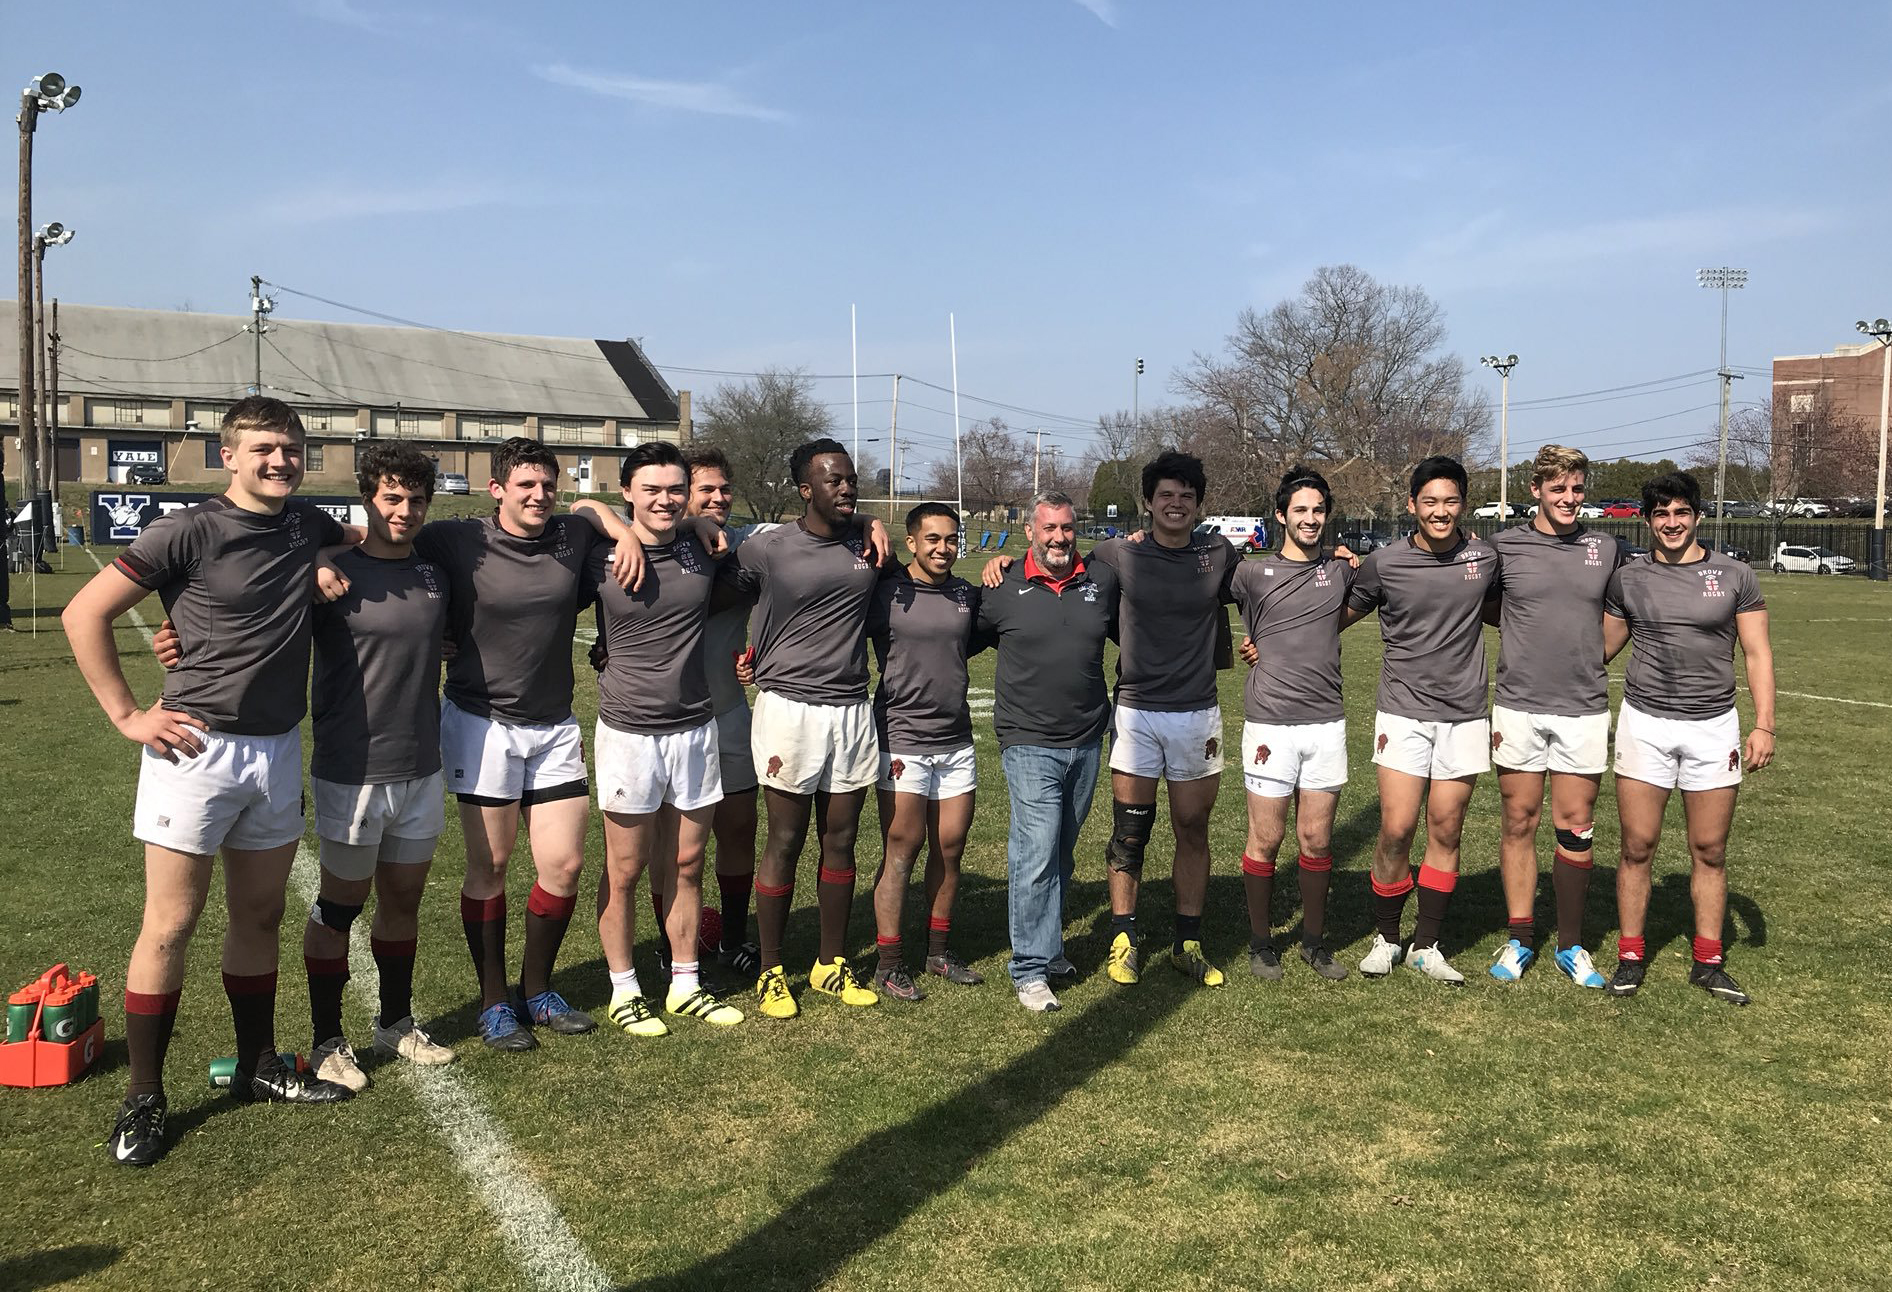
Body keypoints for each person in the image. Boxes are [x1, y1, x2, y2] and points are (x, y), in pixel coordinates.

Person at [63, 397, 364, 1167]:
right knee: (170, 924)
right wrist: (129, 714)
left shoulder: (306, 525)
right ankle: (143, 1096)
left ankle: (258, 1064)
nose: (279, 461)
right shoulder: (187, 529)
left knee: (258, 916)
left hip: (275, 749)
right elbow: (84, 613)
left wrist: (330, 559)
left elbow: (360, 537)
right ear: (227, 455)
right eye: (263, 448)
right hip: (193, 749)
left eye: (291, 449)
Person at [412, 436, 644, 1052]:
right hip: (481, 723)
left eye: (548, 484)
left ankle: (536, 991)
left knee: (564, 866)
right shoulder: (456, 540)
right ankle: (492, 1002)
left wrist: (619, 530)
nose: (540, 495)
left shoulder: (572, 533)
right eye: (525, 486)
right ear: (497, 491)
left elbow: (594, 510)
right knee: (489, 866)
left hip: (554, 724)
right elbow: (381, 546)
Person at [981, 452, 1238, 988]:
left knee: (1192, 828)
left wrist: (1337, 556)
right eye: (1165, 494)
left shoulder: (1218, 553)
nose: (1175, 504)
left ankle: (1187, 940)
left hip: (1197, 710)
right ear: (1148, 501)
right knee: (1129, 833)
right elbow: (1048, 566)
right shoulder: (1115, 554)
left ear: (1198, 505)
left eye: (1186, 496)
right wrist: (1000, 562)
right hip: (1137, 710)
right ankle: (1123, 937)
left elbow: (1275, 576)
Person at [729, 438, 891, 1018]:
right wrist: (740, 656)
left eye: (850, 479)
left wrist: (870, 521)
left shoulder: (868, 547)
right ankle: (771, 970)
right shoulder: (768, 548)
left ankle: (828, 963)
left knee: (841, 839)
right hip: (788, 709)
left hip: (849, 708)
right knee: (785, 840)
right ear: (806, 489)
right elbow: (718, 591)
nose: (846, 488)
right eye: (833, 481)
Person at [588, 442, 745, 1036]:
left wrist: (867, 519)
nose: (665, 499)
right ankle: (624, 989)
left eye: (675, 489)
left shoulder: (701, 546)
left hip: (695, 728)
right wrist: (611, 524)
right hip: (629, 732)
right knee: (626, 869)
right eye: (650, 489)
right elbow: (574, 508)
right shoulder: (596, 549)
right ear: (627, 491)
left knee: (686, 862)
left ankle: (685, 983)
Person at [1603, 471, 1774, 1005]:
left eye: (1681, 512)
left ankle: (1708, 960)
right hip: (1645, 723)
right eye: (1660, 514)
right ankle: (1630, 956)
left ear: (1697, 515)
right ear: (1648, 520)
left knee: (1710, 849)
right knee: (1637, 847)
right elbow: (1597, 651)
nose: (1671, 523)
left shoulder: (1735, 575)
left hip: (1713, 725)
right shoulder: (1628, 578)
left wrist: (1764, 722)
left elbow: (1757, 654)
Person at [1344, 455, 1501, 985]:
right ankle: (1387, 937)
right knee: (1396, 828)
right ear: (1411, 505)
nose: (1440, 511)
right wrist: (1268, 644)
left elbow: (1521, 607)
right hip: (1402, 711)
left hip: (1465, 714)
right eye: (1430, 501)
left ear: (1464, 504)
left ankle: (1426, 945)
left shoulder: (1484, 557)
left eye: (1450, 501)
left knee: (1447, 827)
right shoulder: (1384, 563)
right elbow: (1332, 616)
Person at [1486, 445, 1628, 989]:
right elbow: (1484, 604)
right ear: (1536, 490)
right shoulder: (1504, 547)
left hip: (1582, 707)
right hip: (1518, 703)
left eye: (1577, 488)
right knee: (1518, 819)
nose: (1570, 499)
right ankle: (1521, 937)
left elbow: (1627, 608)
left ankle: (1570, 945)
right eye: (1559, 489)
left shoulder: (1606, 547)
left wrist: (1594, 658)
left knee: (1575, 824)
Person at [975, 490, 1119, 1012]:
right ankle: (1030, 968)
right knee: (1036, 850)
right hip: (1028, 739)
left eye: (1067, 527)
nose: (1059, 537)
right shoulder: (1002, 585)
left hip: (1085, 738)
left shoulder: (1100, 580)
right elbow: (953, 637)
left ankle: (1051, 949)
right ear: (1030, 532)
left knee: (1060, 849)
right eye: (1049, 528)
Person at [1229, 467, 1356, 982]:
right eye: (1299, 510)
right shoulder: (1250, 574)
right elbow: (1190, 603)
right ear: (1280, 515)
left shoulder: (1343, 569)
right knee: (1267, 837)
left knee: (1317, 839)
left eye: (1318, 510)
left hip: (1326, 723)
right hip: (1269, 725)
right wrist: (1246, 645)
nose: (1310, 519)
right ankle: (1261, 943)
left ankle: (1313, 943)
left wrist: (1346, 555)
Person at [866, 502, 987, 1001]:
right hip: (901, 739)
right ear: (911, 542)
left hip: (955, 740)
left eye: (951, 539)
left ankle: (938, 951)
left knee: (950, 848)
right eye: (932, 539)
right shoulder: (885, 592)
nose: (943, 548)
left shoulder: (967, 594)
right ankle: (889, 962)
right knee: (902, 848)